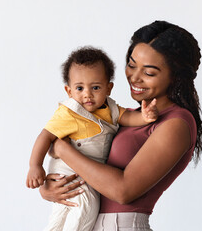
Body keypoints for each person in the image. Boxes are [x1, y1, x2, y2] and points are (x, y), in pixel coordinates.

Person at [39, 20, 202, 231]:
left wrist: (62, 149)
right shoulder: (129, 117)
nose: (134, 77)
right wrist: (51, 188)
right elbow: (92, 169)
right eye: (131, 65)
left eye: (149, 72)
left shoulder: (177, 123)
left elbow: (123, 191)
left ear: (175, 77)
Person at [26, 47, 158, 231]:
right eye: (79, 88)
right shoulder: (69, 112)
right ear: (69, 90)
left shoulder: (110, 109)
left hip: (87, 175)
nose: (87, 94)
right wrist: (35, 166)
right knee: (85, 210)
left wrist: (145, 117)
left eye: (95, 87)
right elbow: (45, 136)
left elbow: (127, 118)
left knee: (61, 217)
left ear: (109, 88)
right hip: (72, 175)